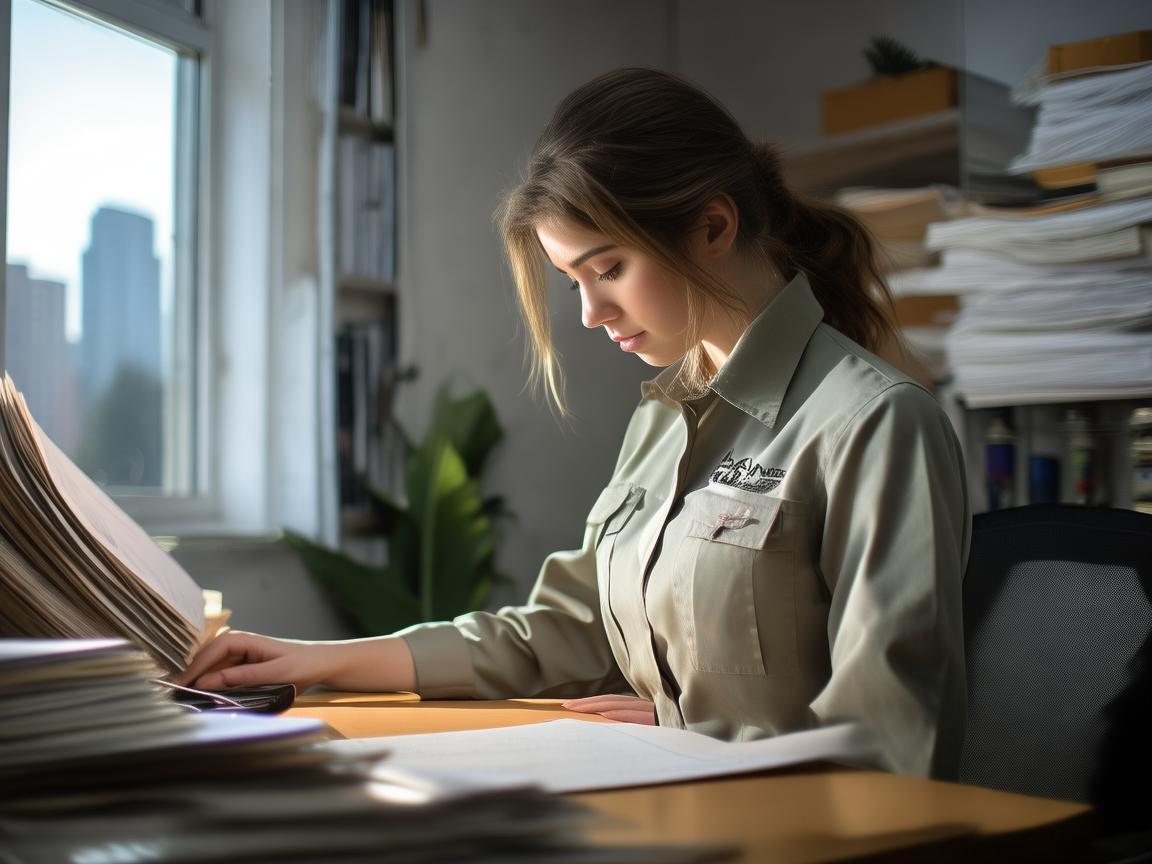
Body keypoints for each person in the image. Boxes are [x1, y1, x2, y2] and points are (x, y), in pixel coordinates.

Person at [180, 67, 970, 779]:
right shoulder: (664, 421)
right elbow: (568, 630)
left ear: (714, 226)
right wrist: (321, 660)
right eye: (574, 284)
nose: (592, 314)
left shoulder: (876, 424)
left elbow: (889, 741)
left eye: (608, 269)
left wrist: (697, 739)